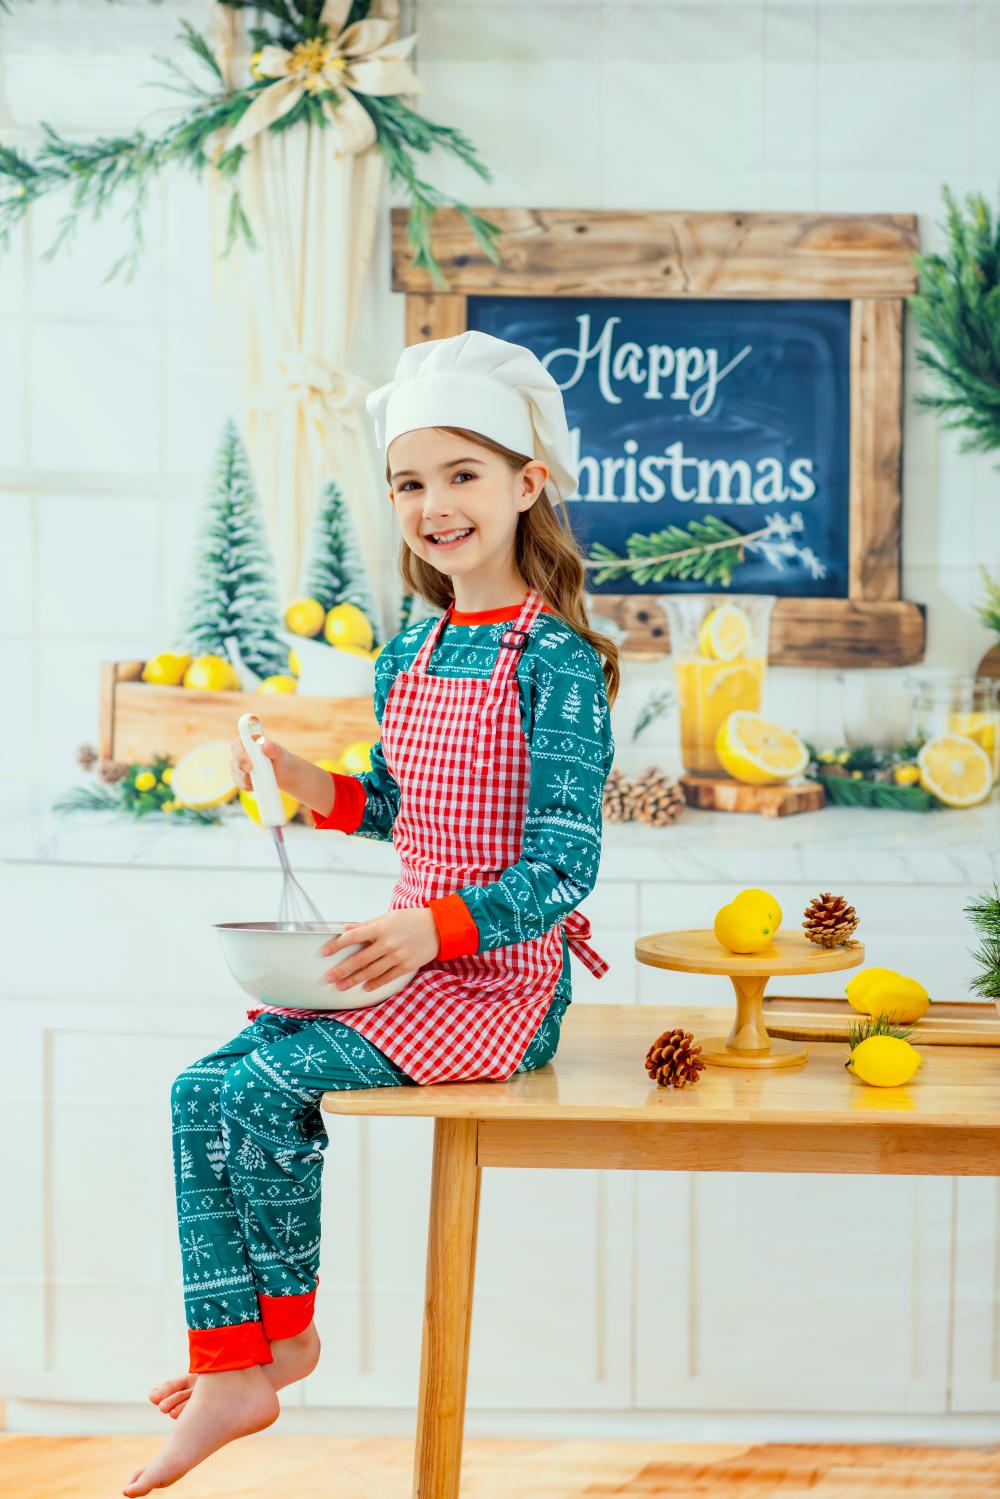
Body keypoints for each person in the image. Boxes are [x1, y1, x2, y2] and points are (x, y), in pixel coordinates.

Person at [122, 330, 620, 1496]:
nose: (435, 503)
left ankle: (251, 1363)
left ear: (525, 486)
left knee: (254, 1084)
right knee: (204, 1086)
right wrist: (312, 785)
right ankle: (261, 1350)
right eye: (410, 480)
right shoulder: (408, 651)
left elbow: (558, 869)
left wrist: (426, 931)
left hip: (498, 984)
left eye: (463, 475)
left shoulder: (560, 662)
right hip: (411, 961)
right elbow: (406, 805)